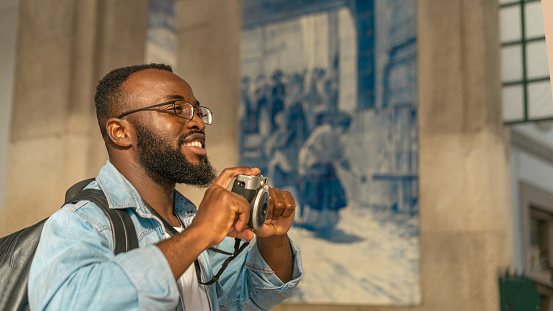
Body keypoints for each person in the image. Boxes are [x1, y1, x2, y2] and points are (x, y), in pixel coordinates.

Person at [28, 64, 302, 311]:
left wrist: (272, 237)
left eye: (197, 110)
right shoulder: (82, 222)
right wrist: (199, 235)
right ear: (121, 132)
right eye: (177, 109)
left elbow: (249, 294)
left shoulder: (187, 220)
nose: (196, 121)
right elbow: (64, 303)